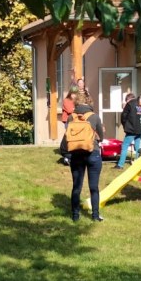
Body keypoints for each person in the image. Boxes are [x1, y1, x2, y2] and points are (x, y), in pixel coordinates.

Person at [59, 92, 105, 222]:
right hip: (92, 153)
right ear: (90, 102)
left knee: (76, 186)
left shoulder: (71, 117)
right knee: (94, 187)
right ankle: (95, 216)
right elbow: (101, 137)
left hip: (76, 154)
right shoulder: (94, 117)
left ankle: (75, 216)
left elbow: (68, 135)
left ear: (77, 102)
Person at [116, 92, 141, 169]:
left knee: (124, 146)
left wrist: (125, 125)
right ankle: (138, 163)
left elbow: (123, 116)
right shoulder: (139, 103)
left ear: (128, 99)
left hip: (131, 130)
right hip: (139, 129)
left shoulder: (129, 104)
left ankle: (120, 164)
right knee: (138, 147)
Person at [60, 85, 79, 165]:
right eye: (73, 93)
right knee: (68, 137)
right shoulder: (66, 100)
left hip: (75, 121)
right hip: (68, 121)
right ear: (70, 93)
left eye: (75, 94)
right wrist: (75, 109)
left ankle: (73, 154)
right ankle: (67, 155)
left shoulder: (77, 101)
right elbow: (69, 110)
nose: (74, 95)